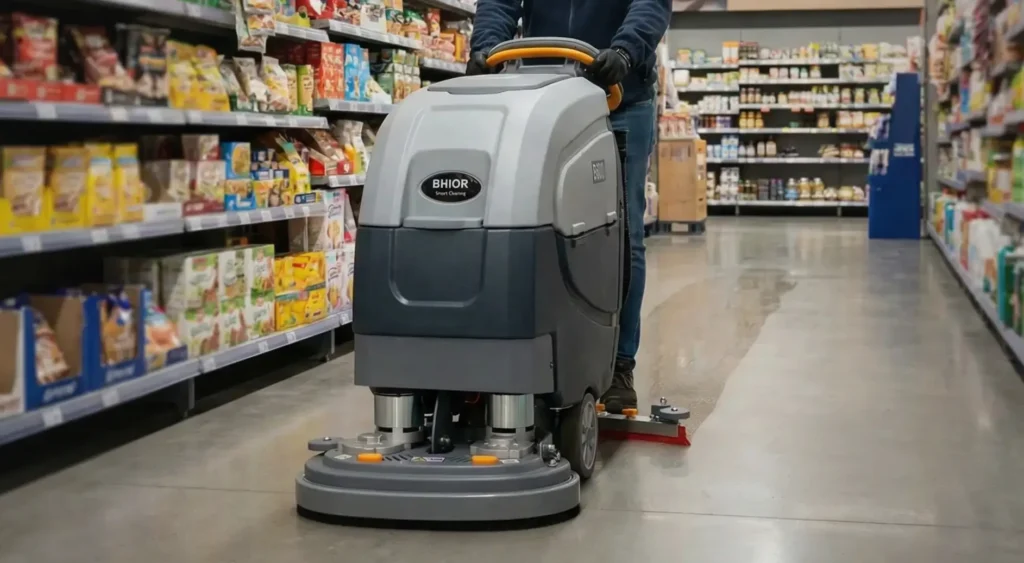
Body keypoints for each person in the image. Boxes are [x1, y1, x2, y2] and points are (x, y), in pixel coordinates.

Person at [468, 0, 671, 413]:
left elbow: (650, 4)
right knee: (539, 227)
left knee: (623, 235)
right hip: (544, 97)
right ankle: (542, 346)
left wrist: (626, 51)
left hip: (619, 97)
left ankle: (619, 364)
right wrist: (487, 45)